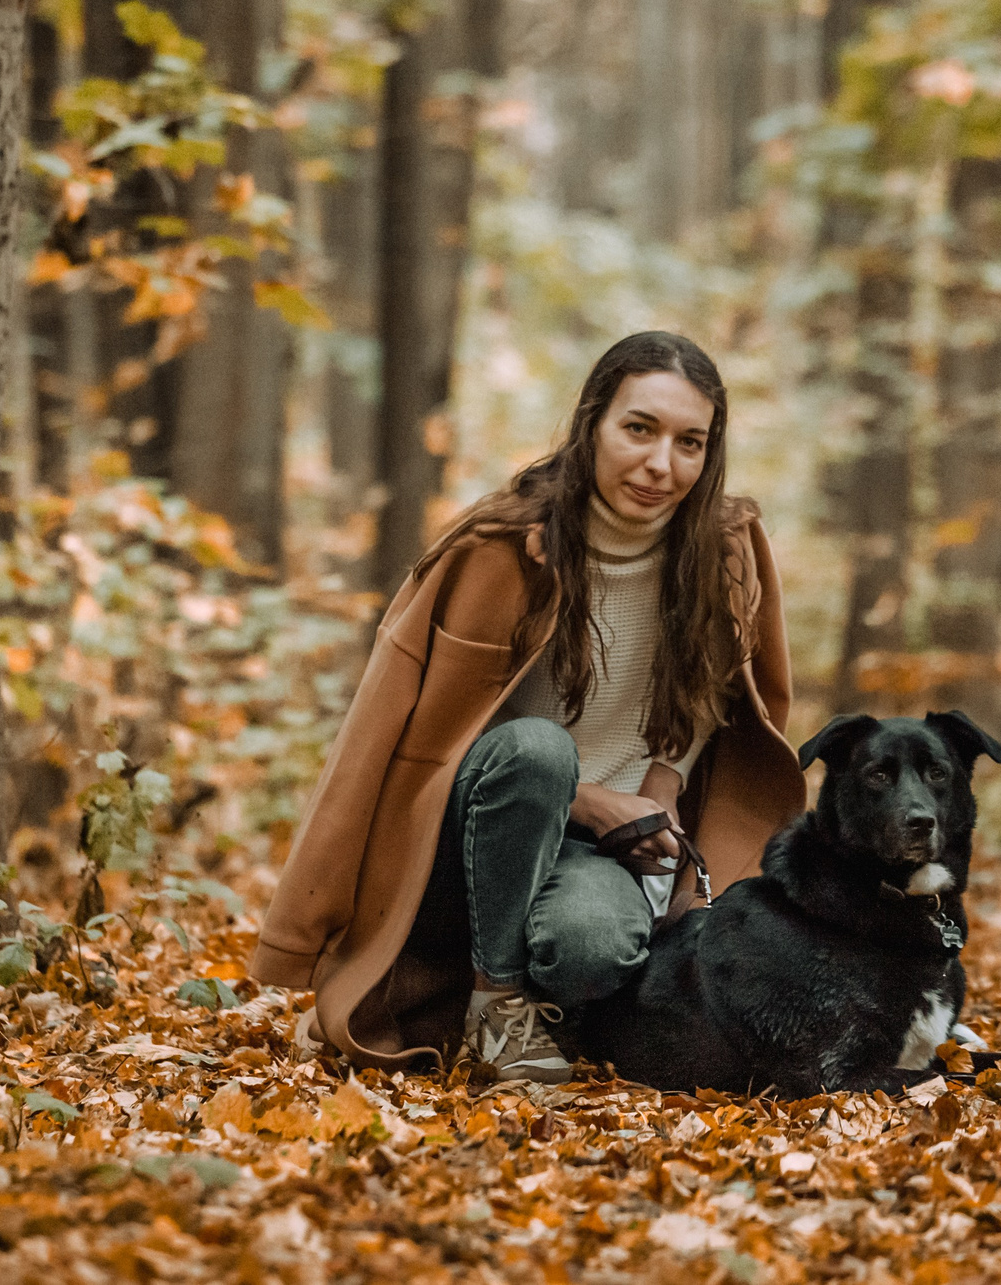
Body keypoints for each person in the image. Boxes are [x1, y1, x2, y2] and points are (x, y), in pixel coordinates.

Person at [247, 331, 805, 1081]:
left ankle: (549, 996)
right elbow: (411, 735)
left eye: (690, 442)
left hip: (604, 849)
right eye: (639, 428)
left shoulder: (726, 547)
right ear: (592, 423)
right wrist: (583, 796)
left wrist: (661, 790)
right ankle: (495, 998)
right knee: (539, 749)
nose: (661, 464)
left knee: (591, 948)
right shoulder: (498, 546)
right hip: (477, 817)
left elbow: (719, 696)